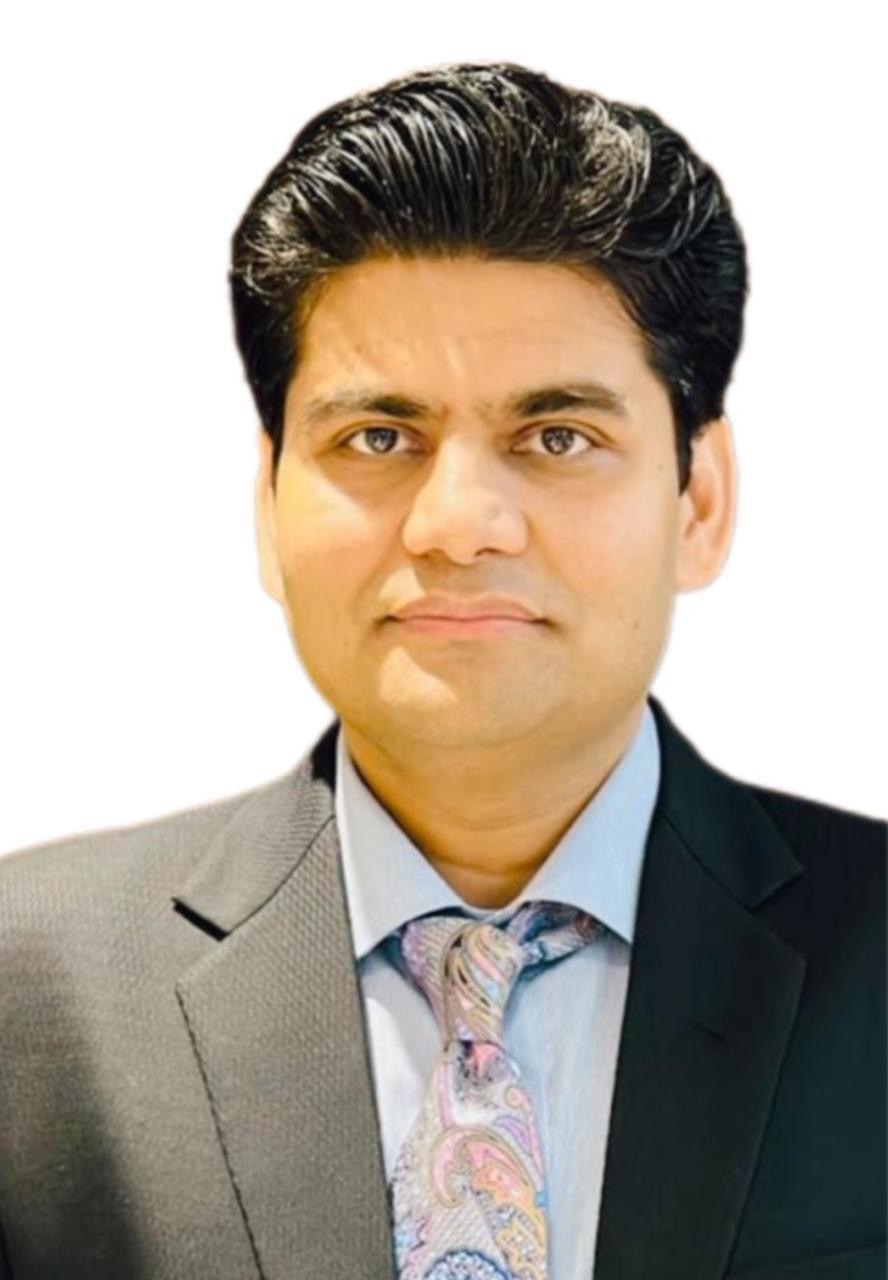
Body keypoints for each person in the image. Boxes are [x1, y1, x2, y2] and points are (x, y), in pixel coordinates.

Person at [0, 60, 884, 1280]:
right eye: (380, 437)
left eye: (557, 435)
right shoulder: (29, 991)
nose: (459, 522)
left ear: (700, 499)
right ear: (267, 503)